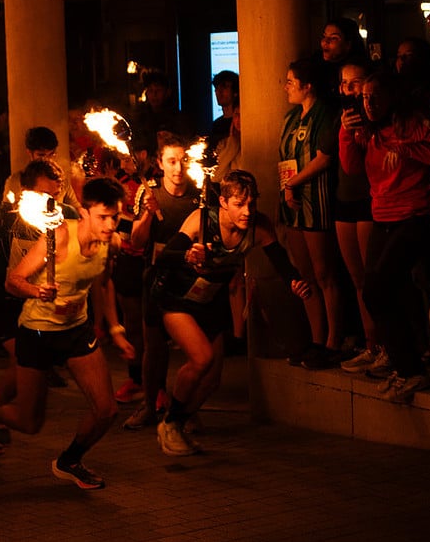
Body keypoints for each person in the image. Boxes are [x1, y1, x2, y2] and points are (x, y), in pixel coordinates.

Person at [0, 177, 136, 490]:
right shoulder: (58, 239)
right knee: (31, 423)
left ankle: (69, 461)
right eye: (102, 217)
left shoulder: (111, 243)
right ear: (84, 213)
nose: (110, 224)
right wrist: (36, 291)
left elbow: (103, 283)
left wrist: (115, 328)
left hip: (76, 331)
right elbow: (12, 281)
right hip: (38, 333)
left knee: (107, 410)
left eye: (115, 216)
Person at [147, 170, 311, 455]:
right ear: (223, 202)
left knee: (211, 380)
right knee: (202, 359)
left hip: (210, 300)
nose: (247, 211)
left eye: (252, 203)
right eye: (239, 204)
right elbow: (164, 257)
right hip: (178, 298)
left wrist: (294, 280)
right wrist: (188, 255)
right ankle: (169, 423)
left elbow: (280, 260)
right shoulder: (200, 221)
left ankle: (180, 418)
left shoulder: (259, 226)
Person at [0, 160, 75, 455]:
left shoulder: (65, 218)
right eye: (45, 196)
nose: (52, 204)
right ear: (26, 193)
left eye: (57, 197)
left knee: (24, 363)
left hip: (31, 301)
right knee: (24, 360)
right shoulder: (5, 215)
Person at [340, 70, 430, 402]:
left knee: (379, 290)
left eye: (376, 96)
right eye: (364, 97)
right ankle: (404, 362)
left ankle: (411, 367)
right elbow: (351, 167)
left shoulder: (408, 123)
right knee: (381, 290)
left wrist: (408, 147)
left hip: (413, 215)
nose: (369, 103)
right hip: (381, 217)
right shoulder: (368, 131)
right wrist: (345, 132)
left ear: (391, 96)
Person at [122, 136, 199, 429]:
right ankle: (148, 406)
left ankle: (187, 408)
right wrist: (146, 214)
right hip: (156, 276)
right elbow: (138, 241)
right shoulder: (149, 193)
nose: (178, 168)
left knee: (194, 348)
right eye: (171, 161)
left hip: (189, 277)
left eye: (182, 160)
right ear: (159, 163)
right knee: (154, 346)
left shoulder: (198, 193)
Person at [278, 57, 345, 368]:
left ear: (308, 85)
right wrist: (286, 187)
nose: (286, 87)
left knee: (324, 272)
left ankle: (334, 340)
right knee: (305, 275)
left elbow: (323, 158)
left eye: (291, 81)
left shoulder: (324, 114)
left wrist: (294, 182)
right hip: (293, 203)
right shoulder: (292, 117)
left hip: (315, 201)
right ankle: (315, 339)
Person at [331, 61, 378, 371]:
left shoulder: (375, 118)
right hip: (344, 199)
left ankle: (382, 343)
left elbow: (358, 166)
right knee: (357, 278)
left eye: (356, 82)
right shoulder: (343, 118)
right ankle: (370, 343)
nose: (349, 89)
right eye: (344, 83)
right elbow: (346, 164)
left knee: (373, 278)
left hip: (368, 200)